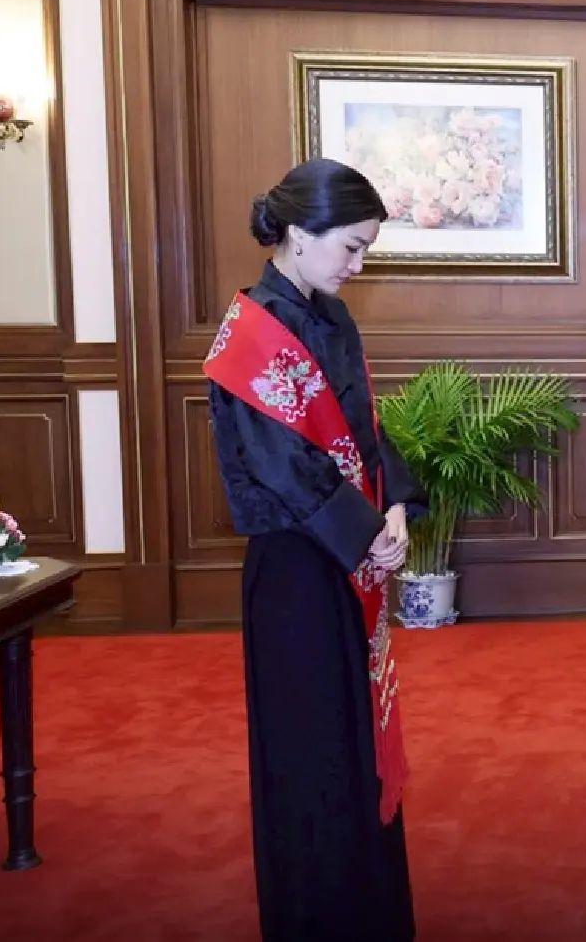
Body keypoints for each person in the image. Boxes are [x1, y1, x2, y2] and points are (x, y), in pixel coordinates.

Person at [203, 157, 426, 941]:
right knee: (310, 750)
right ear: (299, 233)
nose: (357, 265)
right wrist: (370, 535)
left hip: (349, 551)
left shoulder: (332, 317)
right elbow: (285, 469)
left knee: (356, 737)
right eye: (352, 247)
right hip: (297, 571)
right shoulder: (250, 336)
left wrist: (394, 505)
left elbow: (367, 431)